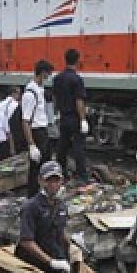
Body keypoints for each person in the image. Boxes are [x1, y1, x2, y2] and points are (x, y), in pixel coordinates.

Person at [16, 160, 71, 273]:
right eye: (49, 180)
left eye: (56, 180)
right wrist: (50, 261)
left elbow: (60, 232)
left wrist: (70, 247)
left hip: (55, 262)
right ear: (40, 180)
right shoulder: (31, 207)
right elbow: (26, 241)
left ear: (61, 181)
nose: (53, 184)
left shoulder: (61, 206)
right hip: (35, 266)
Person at [53, 48, 88, 180]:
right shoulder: (77, 79)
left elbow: (56, 98)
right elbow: (79, 101)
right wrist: (83, 119)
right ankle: (82, 175)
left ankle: (61, 172)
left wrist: (56, 113)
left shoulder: (57, 79)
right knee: (79, 146)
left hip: (63, 116)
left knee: (62, 145)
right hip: (74, 117)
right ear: (77, 61)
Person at [21, 60, 54, 188]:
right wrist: (31, 145)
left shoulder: (39, 89)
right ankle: (32, 195)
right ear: (43, 73)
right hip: (36, 133)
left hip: (42, 131)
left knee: (44, 166)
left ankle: (42, 191)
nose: (48, 77)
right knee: (36, 168)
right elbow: (25, 121)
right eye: (48, 74)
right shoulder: (30, 94)